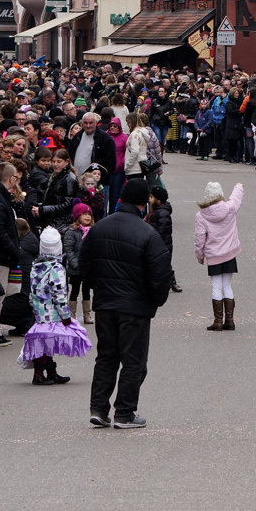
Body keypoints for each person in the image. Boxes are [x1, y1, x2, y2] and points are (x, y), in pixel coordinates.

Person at [80, 176, 174, 430]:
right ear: (144, 204)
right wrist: (155, 300)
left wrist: (96, 288)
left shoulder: (99, 228)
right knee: (133, 361)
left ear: (121, 199)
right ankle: (124, 412)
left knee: (107, 357)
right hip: (134, 306)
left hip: (106, 302)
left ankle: (99, 409)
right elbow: (160, 273)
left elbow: (84, 265)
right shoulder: (148, 233)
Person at [21, 225, 89, 384]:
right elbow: (58, 294)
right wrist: (65, 315)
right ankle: (41, 374)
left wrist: (33, 307)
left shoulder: (36, 266)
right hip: (52, 313)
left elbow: (32, 290)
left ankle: (47, 372)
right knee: (47, 343)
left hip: (39, 312)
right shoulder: (57, 268)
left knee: (44, 341)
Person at [194, 180, 244, 332]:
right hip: (229, 253)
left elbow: (199, 238)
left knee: (216, 286)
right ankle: (230, 320)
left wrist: (200, 255)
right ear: (221, 194)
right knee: (227, 285)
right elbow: (236, 198)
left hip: (213, 255)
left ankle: (217, 321)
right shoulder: (229, 208)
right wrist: (238, 186)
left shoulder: (201, 215)